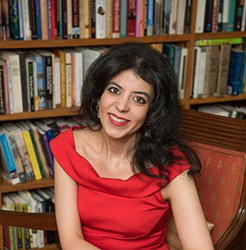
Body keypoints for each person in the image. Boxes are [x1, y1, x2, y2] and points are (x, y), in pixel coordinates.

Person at [50, 42, 214, 250]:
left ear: (152, 112)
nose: (122, 106)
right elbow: (71, 240)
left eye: (139, 99)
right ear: (98, 95)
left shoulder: (170, 167)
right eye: (114, 90)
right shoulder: (68, 148)